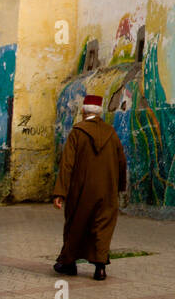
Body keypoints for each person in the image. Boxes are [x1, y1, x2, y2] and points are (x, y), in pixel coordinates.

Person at [53, 93, 127, 281]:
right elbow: (121, 162)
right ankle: (100, 268)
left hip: (82, 190)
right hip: (107, 191)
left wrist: (60, 192)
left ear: (84, 111)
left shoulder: (77, 133)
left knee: (76, 225)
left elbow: (67, 164)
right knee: (102, 226)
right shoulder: (111, 133)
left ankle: (69, 263)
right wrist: (119, 187)